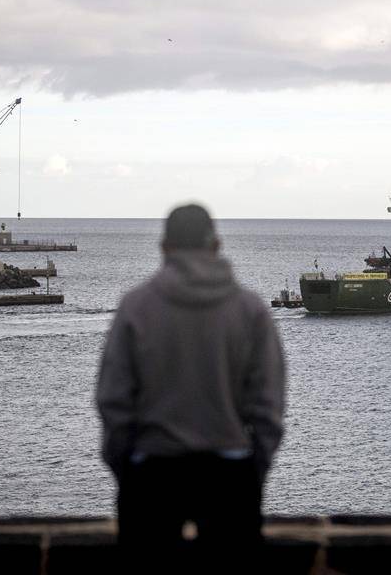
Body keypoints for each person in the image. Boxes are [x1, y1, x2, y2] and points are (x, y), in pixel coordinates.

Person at [96, 203, 285, 571]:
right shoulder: (250, 311)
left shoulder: (136, 307)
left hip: (153, 475)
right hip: (230, 476)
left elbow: (113, 402)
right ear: (216, 245)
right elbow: (267, 406)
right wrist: (252, 469)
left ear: (164, 247)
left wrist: (128, 469)